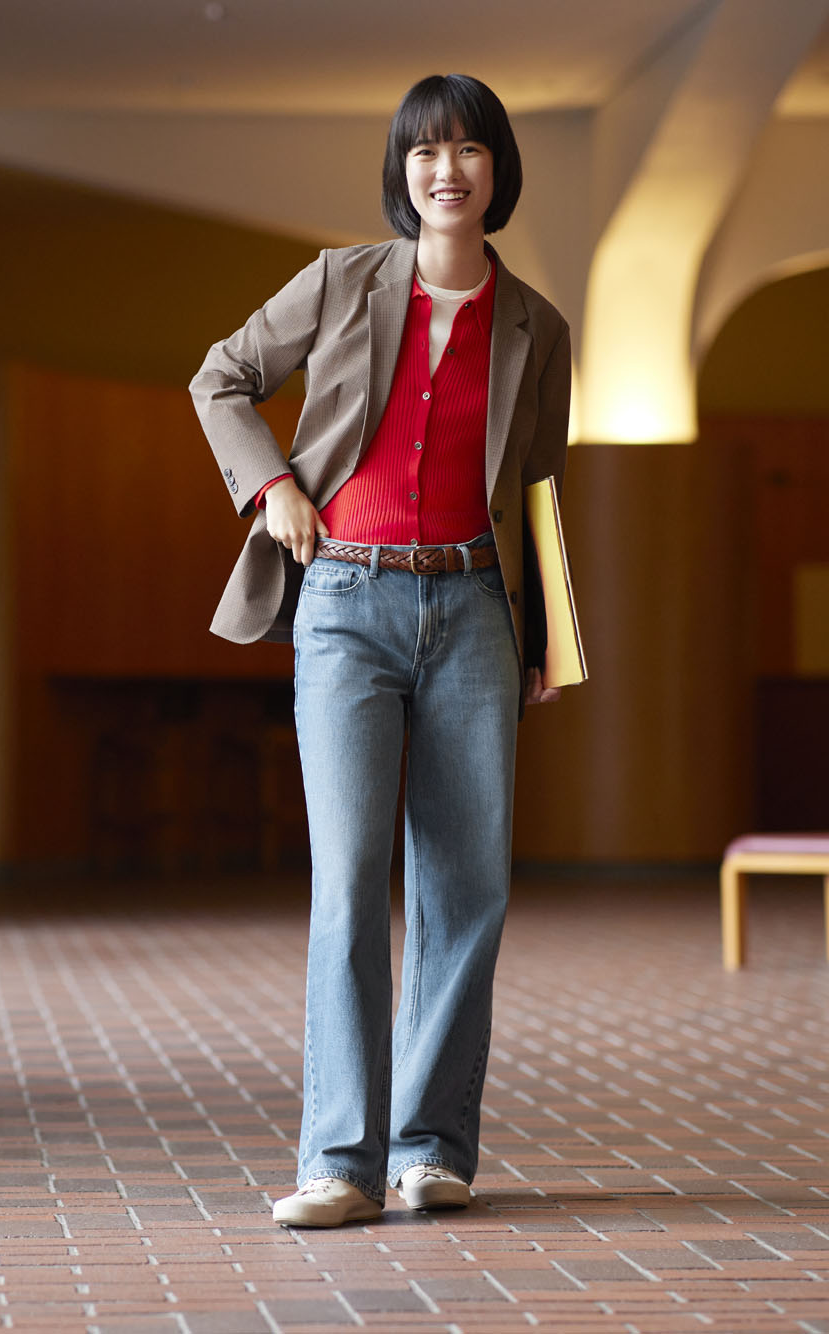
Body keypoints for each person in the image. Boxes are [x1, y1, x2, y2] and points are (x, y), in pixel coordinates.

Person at [189, 73, 573, 1228]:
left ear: (496, 171)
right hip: (346, 606)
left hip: (473, 613)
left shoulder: (535, 326)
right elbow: (222, 376)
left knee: (464, 887)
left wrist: (550, 637)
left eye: (464, 150)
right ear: (401, 174)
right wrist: (269, 489)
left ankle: (430, 1149)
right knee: (352, 878)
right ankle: (335, 1161)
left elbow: (542, 490)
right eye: (421, 152)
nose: (442, 169)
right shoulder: (344, 277)